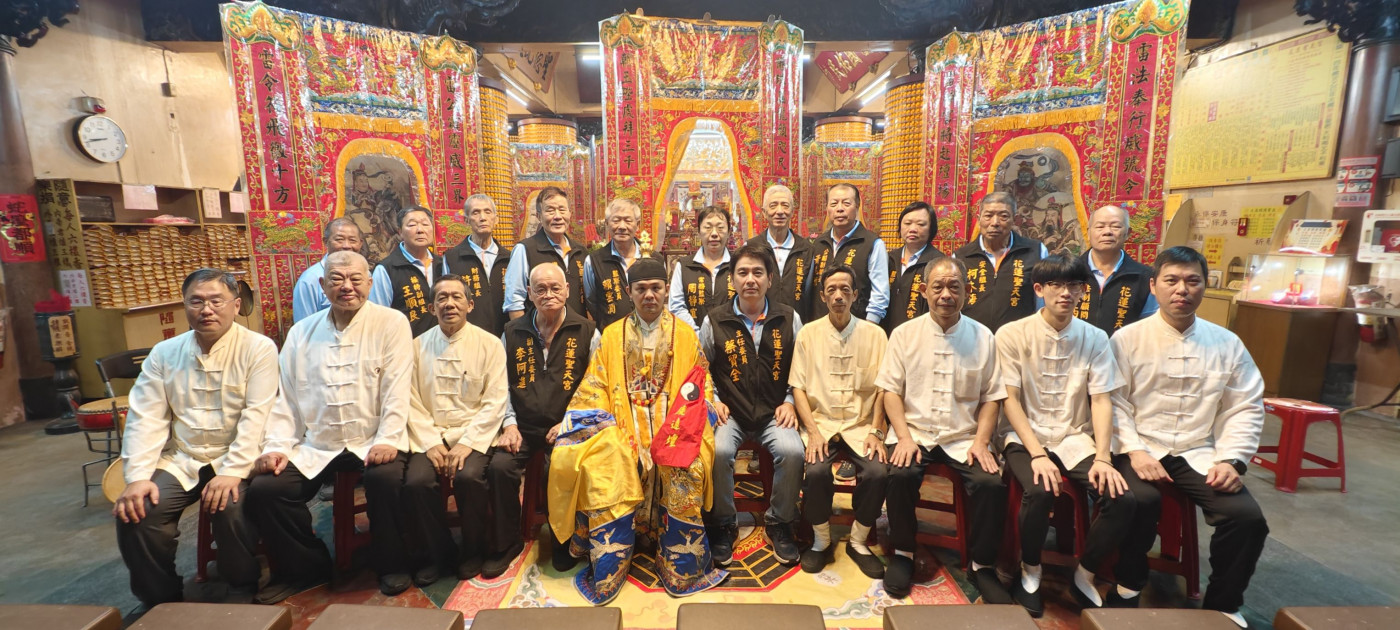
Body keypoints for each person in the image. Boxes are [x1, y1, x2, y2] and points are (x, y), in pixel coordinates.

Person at [549, 257, 730, 605]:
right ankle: (612, 567)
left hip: (674, 427)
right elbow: (595, 387)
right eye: (641, 289)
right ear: (628, 292)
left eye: (656, 288)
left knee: (684, 466)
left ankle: (678, 566)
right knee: (606, 465)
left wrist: (703, 409)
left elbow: (699, 385)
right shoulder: (611, 335)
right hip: (620, 427)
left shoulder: (685, 334)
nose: (649, 295)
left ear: (666, 290)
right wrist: (609, 431)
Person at [1110, 246, 1268, 628]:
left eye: (1192, 281)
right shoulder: (1127, 339)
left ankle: (1223, 603)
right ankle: (1127, 585)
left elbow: (1244, 405)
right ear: (1153, 286)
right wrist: (1134, 451)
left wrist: (1232, 459)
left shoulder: (1227, 343)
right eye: (1172, 280)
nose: (1182, 289)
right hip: (1140, 445)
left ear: (1204, 286)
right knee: (1138, 499)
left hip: (1197, 451)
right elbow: (1113, 403)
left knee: (1246, 518)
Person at [246, 251, 417, 602]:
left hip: (372, 438)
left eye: (355, 279)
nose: (347, 286)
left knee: (385, 479)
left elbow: (398, 389)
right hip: (318, 444)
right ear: (323, 285)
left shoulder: (391, 323)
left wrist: (387, 439)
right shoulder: (301, 333)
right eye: (337, 279)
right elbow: (286, 399)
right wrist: (277, 446)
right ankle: (306, 567)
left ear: (370, 283)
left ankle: (392, 563)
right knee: (266, 489)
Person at [114, 269, 277, 609]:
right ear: (184, 306)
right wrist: (138, 477)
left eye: (216, 301)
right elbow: (146, 418)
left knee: (229, 505)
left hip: (238, 455)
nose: (207, 310)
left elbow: (257, 415)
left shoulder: (258, 348)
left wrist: (233, 471)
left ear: (236, 305)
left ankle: (241, 585)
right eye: (196, 302)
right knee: (137, 513)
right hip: (184, 457)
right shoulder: (164, 353)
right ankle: (160, 598)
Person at [995, 255, 1135, 617]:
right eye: (1056, 285)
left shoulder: (1095, 338)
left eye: (1074, 286)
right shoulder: (1012, 334)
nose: (1065, 293)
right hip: (1024, 436)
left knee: (1121, 498)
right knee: (1040, 491)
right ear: (1039, 289)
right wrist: (1037, 454)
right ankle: (1031, 570)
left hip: (1075, 437)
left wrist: (1103, 457)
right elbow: (1010, 399)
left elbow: (1101, 399)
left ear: (1083, 292)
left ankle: (1084, 573)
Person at [879, 256, 1010, 602]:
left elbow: (992, 397)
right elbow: (890, 392)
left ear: (967, 290)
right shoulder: (904, 334)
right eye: (937, 287)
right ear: (924, 290)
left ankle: (982, 565)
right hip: (915, 432)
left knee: (990, 483)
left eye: (954, 287)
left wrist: (982, 442)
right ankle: (903, 552)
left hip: (963, 436)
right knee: (900, 474)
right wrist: (903, 437)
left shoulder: (983, 337)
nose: (946, 295)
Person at [699, 244, 806, 566]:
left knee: (792, 451)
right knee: (718, 452)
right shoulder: (715, 320)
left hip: (775, 411)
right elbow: (701, 368)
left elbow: (801, 368)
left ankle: (779, 522)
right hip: (730, 413)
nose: (750, 280)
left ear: (770, 279)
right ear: (732, 279)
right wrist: (714, 401)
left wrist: (790, 401)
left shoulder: (789, 318)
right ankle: (723, 524)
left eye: (758, 273)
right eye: (743, 272)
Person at [402, 274, 510, 583]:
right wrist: (430, 441)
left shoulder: (490, 344)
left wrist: (470, 442)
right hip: (431, 433)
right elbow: (409, 400)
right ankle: (439, 553)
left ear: (470, 305)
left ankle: (473, 550)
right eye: (442, 298)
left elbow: (495, 400)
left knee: (469, 477)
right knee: (416, 482)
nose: (449, 304)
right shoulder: (416, 347)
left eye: (456, 297)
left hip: (474, 433)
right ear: (431, 307)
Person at [791, 264, 890, 577]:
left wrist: (876, 431)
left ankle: (858, 541)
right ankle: (821, 540)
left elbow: (883, 390)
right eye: (831, 290)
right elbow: (798, 388)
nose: (838, 296)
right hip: (821, 423)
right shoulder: (808, 334)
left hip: (861, 426)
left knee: (878, 471)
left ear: (855, 295)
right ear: (822, 296)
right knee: (816, 471)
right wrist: (812, 431)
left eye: (845, 290)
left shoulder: (875, 335)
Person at [501, 263, 599, 572]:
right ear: (529, 293)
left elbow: (595, 386)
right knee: (498, 467)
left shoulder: (587, 331)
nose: (548, 295)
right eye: (540, 289)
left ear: (567, 290)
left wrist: (570, 423)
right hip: (522, 426)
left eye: (555, 288)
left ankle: (563, 542)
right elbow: (500, 385)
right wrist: (509, 424)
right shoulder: (512, 332)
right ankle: (506, 543)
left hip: (566, 426)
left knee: (559, 467)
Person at [954, 192, 1049, 333]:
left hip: (1020, 338)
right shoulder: (961, 257)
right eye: (988, 216)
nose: (995, 223)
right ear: (979, 219)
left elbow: (1043, 302)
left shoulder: (1036, 251)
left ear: (1014, 220)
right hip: (972, 338)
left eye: (1003, 216)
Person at [503, 186, 588, 320]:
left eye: (562, 210)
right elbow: (514, 302)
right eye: (550, 211)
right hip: (539, 330)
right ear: (539, 216)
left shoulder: (581, 251)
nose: (557, 216)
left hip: (576, 330)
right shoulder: (524, 250)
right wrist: (522, 332)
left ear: (569, 214)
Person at [809, 184, 889, 325]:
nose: (839, 209)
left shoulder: (872, 244)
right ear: (827, 208)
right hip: (821, 328)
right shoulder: (818, 244)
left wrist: (868, 326)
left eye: (846, 203)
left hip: (858, 327)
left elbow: (880, 293)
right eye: (834, 204)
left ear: (857, 206)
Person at [1077, 205, 1158, 334]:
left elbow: (1150, 325)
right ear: (1088, 232)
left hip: (1124, 346)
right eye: (1100, 226)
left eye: (1115, 226)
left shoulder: (1144, 277)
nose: (1107, 232)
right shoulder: (1070, 272)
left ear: (1128, 233)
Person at [585, 198, 661, 329]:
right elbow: (591, 301)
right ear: (607, 224)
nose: (622, 226)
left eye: (628, 220)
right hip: (611, 335)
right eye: (616, 220)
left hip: (649, 333)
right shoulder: (594, 261)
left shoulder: (655, 259)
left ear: (638, 224)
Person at [369, 205, 442, 337]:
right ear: (400, 232)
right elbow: (378, 318)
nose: (420, 230)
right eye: (412, 225)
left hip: (442, 344)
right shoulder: (386, 269)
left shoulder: (442, 264)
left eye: (425, 224)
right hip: (405, 345)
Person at [443, 194, 510, 335]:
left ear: (496, 219)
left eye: (487, 212)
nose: (483, 217)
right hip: (467, 336)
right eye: (476, 212)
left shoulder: (509, 258)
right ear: (466, 220)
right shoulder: (452, 258)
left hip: (506, 336)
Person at [745, 184, 814, 319]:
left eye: (785, 205)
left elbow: (810, 292)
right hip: (759, 321)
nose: (780, 211)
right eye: (773, 206)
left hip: (797, 322)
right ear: (764, 212)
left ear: (792, 212)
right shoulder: (751, 247)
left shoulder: (806, 249)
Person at [884, 201, 947, 334]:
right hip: (886, 334)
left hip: (921, 335)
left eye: (921, 224)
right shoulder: (889, 259)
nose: (912, 229)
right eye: (907, 223)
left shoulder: (939, 263)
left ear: (931, 228)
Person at [669, 206, 736, 331]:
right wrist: (698, 335)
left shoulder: (738, 265)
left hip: (731, 338)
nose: (714, 234)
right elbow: (676, 307)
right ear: (699, 232)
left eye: (720, 228)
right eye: (708, 227)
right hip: (693, 338)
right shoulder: (684, 266)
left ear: (728, 232)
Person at [293, 218, 364, 323]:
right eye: (339, 240)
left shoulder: (365, 274)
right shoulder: (310, 280)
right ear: (326, 242)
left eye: (352, 240)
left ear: (360, 243)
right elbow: (304, 327)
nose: (346, 246)